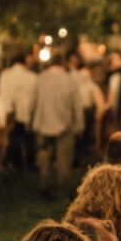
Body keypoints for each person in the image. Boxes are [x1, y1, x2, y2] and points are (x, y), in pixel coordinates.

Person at [31, 52, 82, 199]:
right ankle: (63, 191)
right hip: (65, 125)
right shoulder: (69, 80)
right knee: (64, 160)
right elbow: (76, 105)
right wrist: (79, 125)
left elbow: (33, 102)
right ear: (64, 63)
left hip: (43, 124)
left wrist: (31, 121)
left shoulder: (40, 79)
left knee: (44, 158)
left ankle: (44, 187)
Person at [0, 50, 38, 171]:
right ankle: (30, 164)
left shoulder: (5, 75)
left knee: (13, 139)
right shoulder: (32, 77)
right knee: (29, 140)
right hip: (28, 114)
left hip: (11, 113)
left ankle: (15, 164)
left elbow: (4, 95)